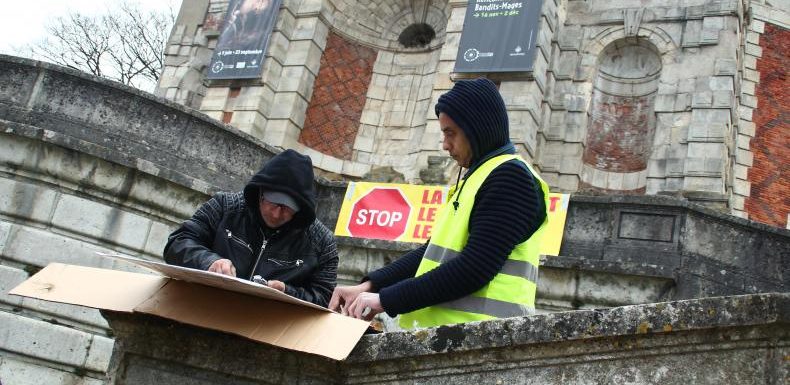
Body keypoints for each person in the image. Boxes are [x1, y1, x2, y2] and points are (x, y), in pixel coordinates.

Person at [328, 78, 550, 329]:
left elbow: (474, 268)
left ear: (476, 129)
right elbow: (431, 253)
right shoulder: (478, 177)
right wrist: (369, 285)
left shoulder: (511, 177)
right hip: (459, 337)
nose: (445, 145)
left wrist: (386, 299)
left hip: (484, 340)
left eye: (450, 133)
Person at [164, 149, 338, 307]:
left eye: (288, 208)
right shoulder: (225, 206)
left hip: (269, 325)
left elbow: (325, 296)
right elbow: (178, 242)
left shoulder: (321, 242)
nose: (277, 214)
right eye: (273, 202)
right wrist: (209, 261)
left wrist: (287, 292)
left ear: (301, 208)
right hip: (202, 306)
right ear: (260, 192)